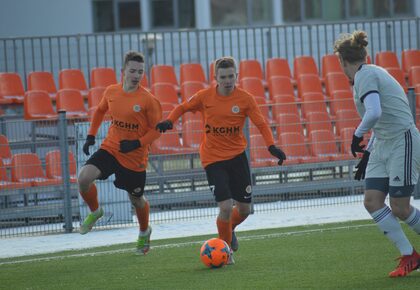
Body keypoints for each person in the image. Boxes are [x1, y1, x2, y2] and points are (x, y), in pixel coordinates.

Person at [156, 56, 286, 264]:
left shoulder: (245, 99)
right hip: (213, 158)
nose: (227, 80)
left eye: (231, 76)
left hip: (237, 158)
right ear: (215, 77)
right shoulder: (204, 97)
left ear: (237, 76)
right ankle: (226, 253)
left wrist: (271, 146)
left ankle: (229, 228)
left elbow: (261, 123)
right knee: (225, 207)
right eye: (223, 76)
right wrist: (169, 121)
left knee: (244, 209)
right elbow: (182, 107)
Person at [334, 30, 420, 277]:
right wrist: (369, 152)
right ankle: (410, 256)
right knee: (372, 201)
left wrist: (357, 135)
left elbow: (374, 113)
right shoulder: (369, 74)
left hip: (402, 141)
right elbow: (380, 121)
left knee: (401, 208)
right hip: (383, 144)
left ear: (342, 61)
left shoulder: (366, 75)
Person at [77, 51, 162, 255]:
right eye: (132, 71)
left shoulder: (148, 100)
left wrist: (137, 144)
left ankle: (144, 231)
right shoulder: (111, 91)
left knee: (137, 200)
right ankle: (96, 211)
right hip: (111, 148)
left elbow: (157, 130)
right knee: (83, 178)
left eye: (140, 72)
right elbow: (99, 111)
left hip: (135, 159)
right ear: (123, 71)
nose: (136, 75)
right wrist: (91, 135)